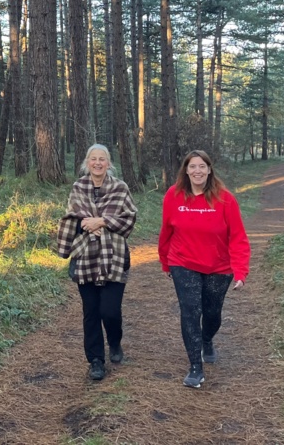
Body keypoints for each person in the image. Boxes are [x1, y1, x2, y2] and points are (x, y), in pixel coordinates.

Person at [158, 150, 250, 389]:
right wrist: (165, 261)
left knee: (212, 313)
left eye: (202, 166)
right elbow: (166, 231)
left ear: (209, 170)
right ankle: (195, 367)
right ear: (186, 171)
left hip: (219, 266)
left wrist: (240, 270)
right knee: (190, 311)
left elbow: (238, 237)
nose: (197, 171)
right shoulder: (173, 196)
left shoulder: (225, 199)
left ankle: (207, 338)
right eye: (192, 167)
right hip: (183, 262)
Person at [56, 144, 137, 381]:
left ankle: (115, 342)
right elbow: (72, 217)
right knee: (91, 311)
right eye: (94, 159)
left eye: (102, 159)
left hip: (115, 257)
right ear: (87, 162)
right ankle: (95, 361)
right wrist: (85, 225)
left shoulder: (120, 188)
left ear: (109, 163)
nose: (98, 163)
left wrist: (101, 222)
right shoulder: (78, 187)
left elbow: (130, 218)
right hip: (86, 257)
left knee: (109, 311)